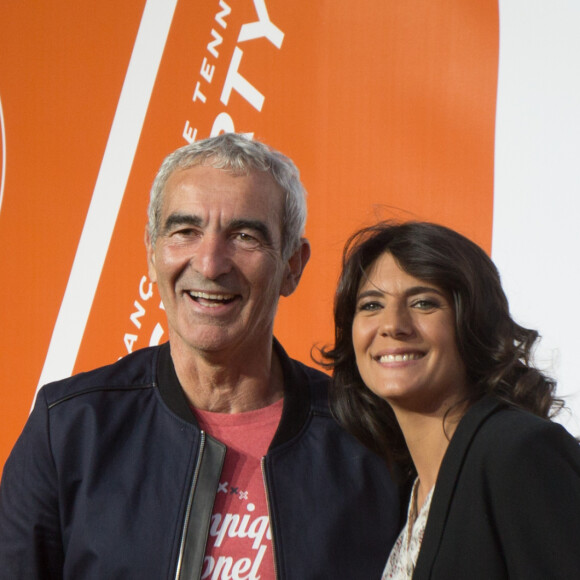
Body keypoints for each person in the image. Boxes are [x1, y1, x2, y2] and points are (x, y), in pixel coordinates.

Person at [0, 134, 401, 579]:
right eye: (185, 231)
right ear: (152, 253)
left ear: (292, 265)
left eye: (245, 236)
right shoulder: (70, 429)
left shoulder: (367, 435)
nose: (210, 263)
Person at [321, 220, 580, 579]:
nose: (392, 324)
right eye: (371, 305)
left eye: (424, 303)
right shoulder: (406, 490)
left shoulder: (518, 451)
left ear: (473, 322)